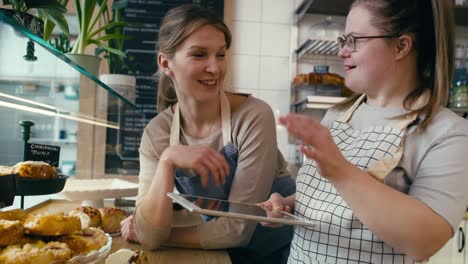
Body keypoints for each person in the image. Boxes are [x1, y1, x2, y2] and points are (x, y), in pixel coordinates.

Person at [261, 0, 468, 263]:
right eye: (343, 40)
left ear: (401, 46)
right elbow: (328, 199)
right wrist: (287, 205)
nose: (343, 52)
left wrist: (340, 170)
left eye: (355, 40)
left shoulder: (448, 133)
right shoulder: (336, 116)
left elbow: (424, 241)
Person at [119, 4, 295, 263]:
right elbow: (147, 231)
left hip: (277, 254)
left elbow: (238, 230)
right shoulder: (157, 134)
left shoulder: (253, 116)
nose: (215, 68)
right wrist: (168, 160)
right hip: (216, 252)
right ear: (166, 63)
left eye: (221, 55)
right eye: (200, 55)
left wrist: (160, 235)